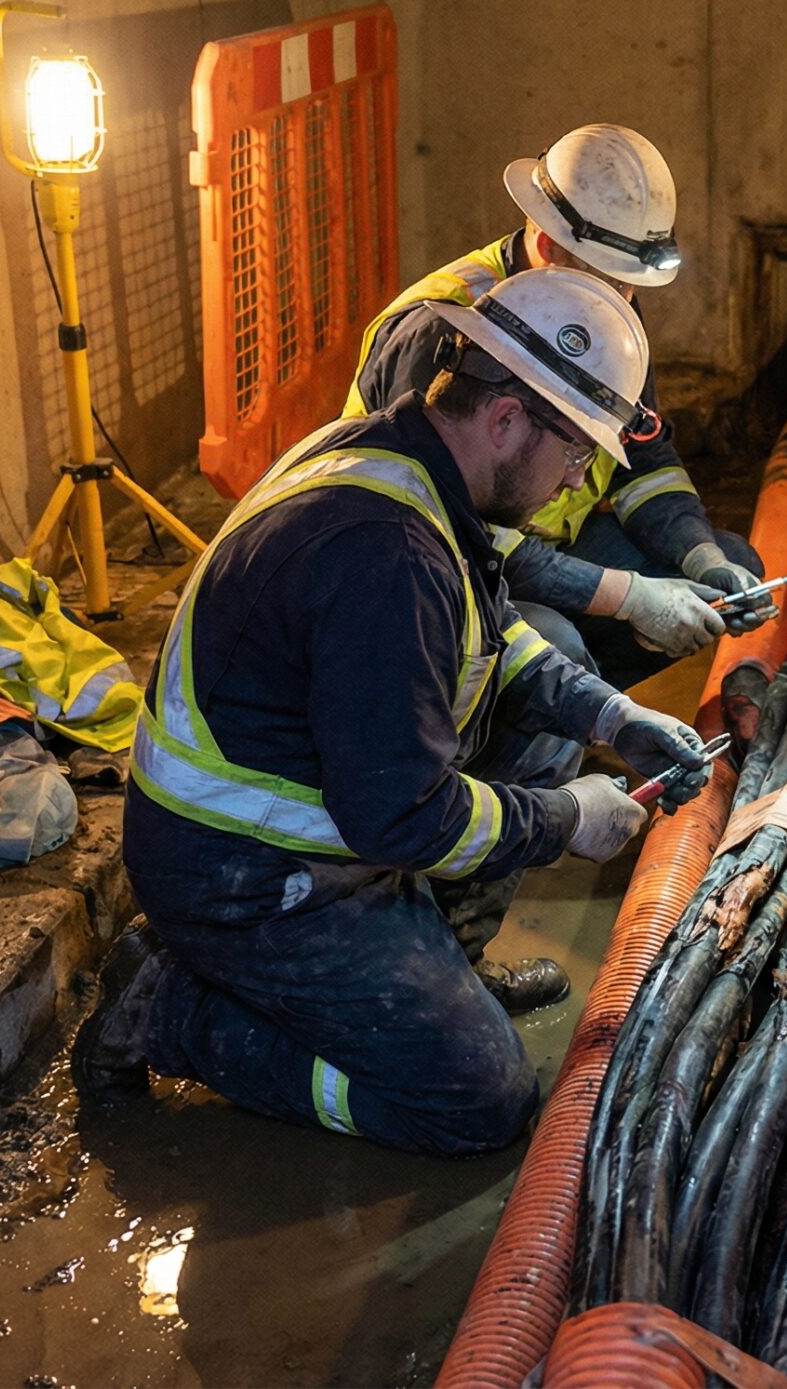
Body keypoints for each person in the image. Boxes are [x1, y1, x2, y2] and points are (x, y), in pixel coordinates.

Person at [72, 268, 716, 1155]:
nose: (576, 480)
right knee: (475, 1102)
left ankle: (431, 964)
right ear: (505, 420)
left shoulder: (409, 462)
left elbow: (492, 637)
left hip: (303, 819)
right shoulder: (385, 553)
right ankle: (171, 1011)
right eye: (575, 456)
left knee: (553, 691)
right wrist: (568, 821)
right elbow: (403, 814)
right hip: (246, 872)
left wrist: (609, 718)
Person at [345, 122, 771, 689]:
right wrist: (628, 598)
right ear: (548, 247)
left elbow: (642, 456)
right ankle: (495, 752)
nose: (625, 303)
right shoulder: (444, 328)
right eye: (613, 283)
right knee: (554, 646)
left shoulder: (597, 302)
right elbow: (457, 534)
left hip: (543, 548)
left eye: (631, 286)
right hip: (426, 571)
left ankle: (563, 714)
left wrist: (699, 558)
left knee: (730, 562)